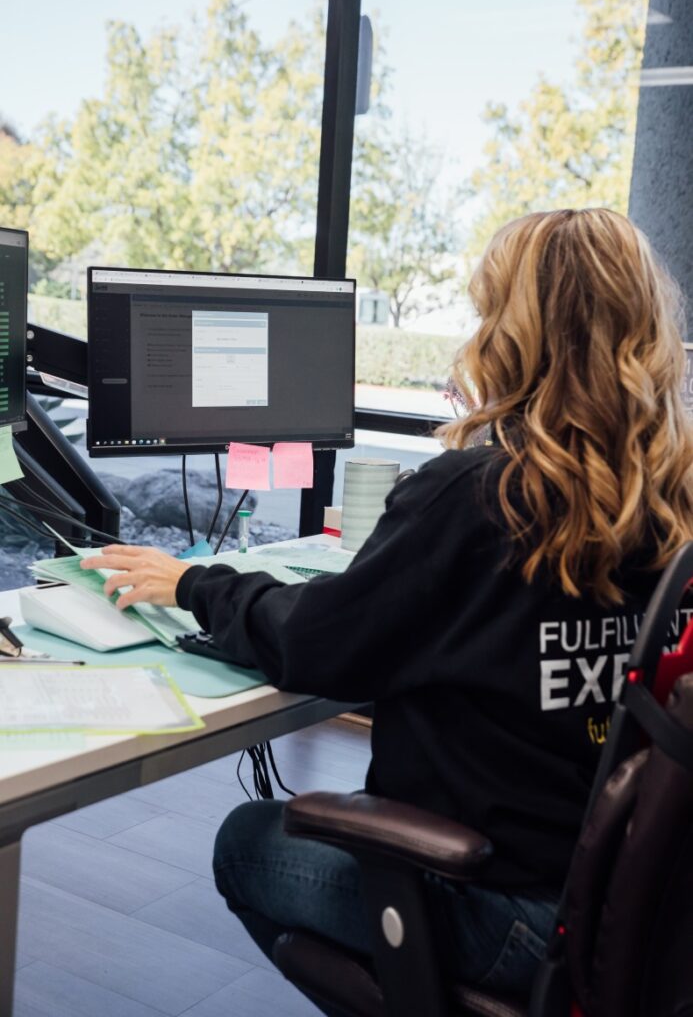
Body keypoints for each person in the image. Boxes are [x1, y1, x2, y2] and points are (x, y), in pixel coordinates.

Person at [81, 208, 693, 1007]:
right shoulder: (668, 498)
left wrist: (192, 584)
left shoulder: (478, 494)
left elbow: (319, 647)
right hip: (640, 910)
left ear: (510, 333)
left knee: (248, 842)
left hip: (510, 912)